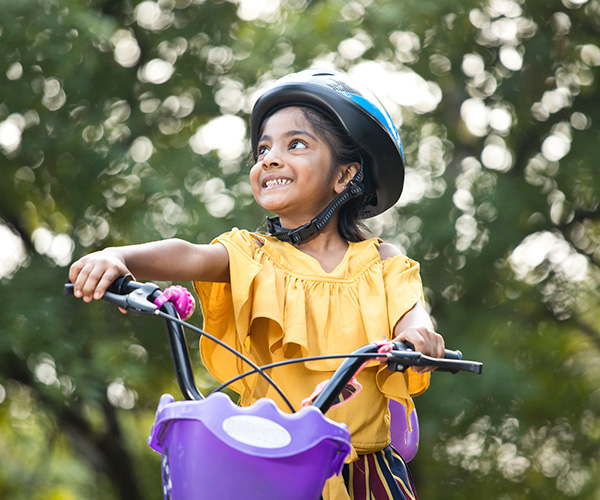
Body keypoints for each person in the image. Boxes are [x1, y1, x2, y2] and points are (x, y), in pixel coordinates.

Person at [69, 69, 445, 500]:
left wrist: (418, 338)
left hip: (365, 473)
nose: (268, 158)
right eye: (263, 148)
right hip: (271, 465)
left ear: (345, 176)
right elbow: (187, 253)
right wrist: (121, 257)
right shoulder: (251, 255)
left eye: (296, 144)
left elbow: (413, 316)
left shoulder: (381, 261)